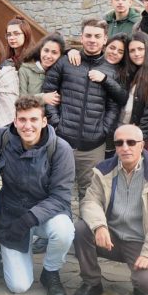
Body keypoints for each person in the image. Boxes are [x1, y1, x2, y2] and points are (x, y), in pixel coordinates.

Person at [0, 96, 75, 295]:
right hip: (12, 216)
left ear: (44, 121)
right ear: (15, 121)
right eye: (22, 120)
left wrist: (29, 219)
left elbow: (60, 198)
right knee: (18, 286)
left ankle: (50, 272)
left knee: (64, 230)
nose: (28, 126)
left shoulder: (60, 149)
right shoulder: (4, 138)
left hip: (46, 216)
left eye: (34, 120)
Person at [71, 124, 148, 295]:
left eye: (131, 142)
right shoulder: (103, 171)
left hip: (140, 240)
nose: (125, 147)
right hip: (110, 237)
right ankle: (92, 282)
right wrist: (99, 226)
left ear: (142, 146)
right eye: (119, 143)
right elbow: (90, 201)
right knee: (81, 229)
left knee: (147, 283)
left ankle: (139, 281)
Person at [43, 18, 125, 208]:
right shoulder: (65, 62)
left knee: (90, 196)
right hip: (63, 141)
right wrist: (56, 124)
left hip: (93, 145)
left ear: (105, 40)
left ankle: (85, 235)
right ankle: (60, 235)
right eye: (88, 35)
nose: (92, 40)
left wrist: (103, 131)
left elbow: (114, 106)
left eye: (97, 36)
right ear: (81, 37)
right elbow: (49, 92)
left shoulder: (111, 70)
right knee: (57, 190)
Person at [17, 33, 64, 107]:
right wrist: (43, 98)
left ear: (60, 55)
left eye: (54, 52)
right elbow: (21, 99)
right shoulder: (25, 70)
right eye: (46, 50)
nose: (48, 56)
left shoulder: (61, 73)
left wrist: (72, 51)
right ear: (40, 50)